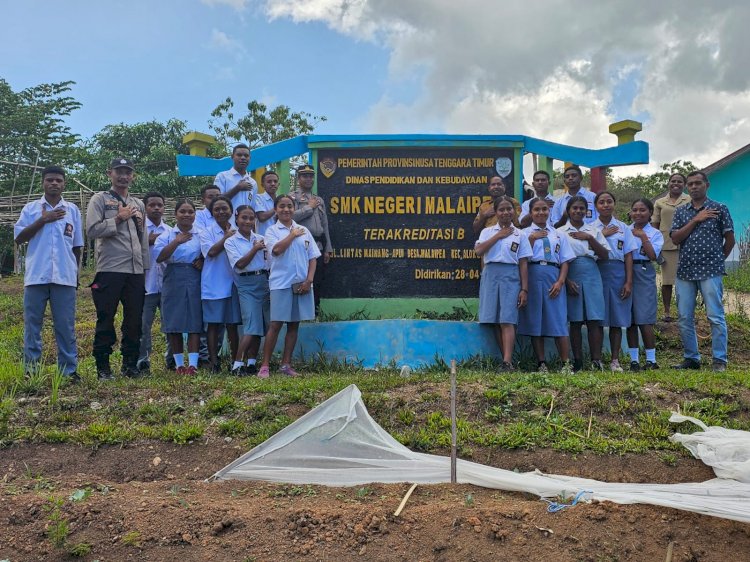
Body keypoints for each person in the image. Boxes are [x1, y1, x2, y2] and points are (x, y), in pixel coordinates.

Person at [14, 165, 83, 382]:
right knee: (32, 326)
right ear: (43, 182)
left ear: (64, 184)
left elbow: (77, 246)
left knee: (65, 326)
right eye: (50, 180)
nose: (54, 183)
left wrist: (76, 274)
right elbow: (19, 238)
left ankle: (68, 372)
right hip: (36, 277)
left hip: (65, 277)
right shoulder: (31, 209)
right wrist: (44, 219)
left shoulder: (72, 211)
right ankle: (31, 371)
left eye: (58, 181)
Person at [86, 157, 149, 380]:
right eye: (118, 171)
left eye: (127, 172)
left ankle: (130, 364)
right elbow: (92, 230)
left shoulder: (138, 204)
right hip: (110, 268)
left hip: (135, 270)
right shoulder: (99, 199)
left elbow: (143, 238)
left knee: (134, 319)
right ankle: (103, 366)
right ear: (109, 173)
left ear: (133, 176)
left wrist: (145, 267)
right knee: (106, 317)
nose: (123, 176)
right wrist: (118, 219)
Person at [670, 171, 735, 371]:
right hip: (686, 271)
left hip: (711, 271)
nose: (694, 187)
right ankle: (692, 359)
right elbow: (675, 238)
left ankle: (719, 360)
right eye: (690, 184)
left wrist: (717, 261)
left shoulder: (719, 209)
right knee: (683, 317)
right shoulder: (681, 212)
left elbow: (730, 240)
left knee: (715, 316)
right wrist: (696, 219)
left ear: (707, 185)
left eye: (698, 183)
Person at [259, 195, 321, 378]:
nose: (286, 210)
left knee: (294, 324)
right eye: (282, 206)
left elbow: (312, 257)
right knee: (276, 324)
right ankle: (265, 366)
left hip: (301, 284)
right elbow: (276, 251)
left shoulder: (304, 230)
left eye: (289, 206)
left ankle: (286, 364)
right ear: (276, 209)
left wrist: (309, 280)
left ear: (294, 209)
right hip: (281, 284)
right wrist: (291, 235)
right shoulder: (272, 231)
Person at [474, 196, 532, 372]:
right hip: (490, 275)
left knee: (507, 318)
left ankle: (507, 361)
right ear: (496, 212)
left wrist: (524, 289)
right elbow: (478, 251)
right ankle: (503, 359)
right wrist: (499, 235)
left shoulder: (520, 234)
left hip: (510, 275)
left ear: (514, 212)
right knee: (492, 319)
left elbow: (523, 262)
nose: (506, 212)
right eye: (501, 209)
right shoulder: (487, 232)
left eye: (509, 209)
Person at [518, 198, 575, 372]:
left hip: (553, 275)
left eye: (544, 209)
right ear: (531, 212)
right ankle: (541, 362)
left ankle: (565, 363)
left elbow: (565, 260)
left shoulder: (558, 234)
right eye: (536, 209)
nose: (541, 212)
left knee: (558, 319)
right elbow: (522, 259)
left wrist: (560, 281)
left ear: (549, 211)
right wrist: (532, 239)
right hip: (533, 274)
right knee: (536, 320)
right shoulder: (524, 234)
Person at [557, 196, 610, 371]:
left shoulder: (593, 230)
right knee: (576, 320)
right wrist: (566, 280)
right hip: (571, 271)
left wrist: (589, 238)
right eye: (575, 208)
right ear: (568, 211)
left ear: (586, 211)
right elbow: (558, 259)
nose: (578, 211)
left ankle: (596, 360)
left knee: (594, 318)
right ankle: (577, 361)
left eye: (582, 208)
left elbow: (605, 255)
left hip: (591, 272)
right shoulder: (561, 232)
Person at [155, 199, 203, 375]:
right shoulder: (167, 234)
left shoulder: (200, 233)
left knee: (194, 320)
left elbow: (208, 252)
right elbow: (159, 257)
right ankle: (179, 365)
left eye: (190, 212)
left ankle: (193, 364)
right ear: (175, 214)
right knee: (174, 321)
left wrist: (202, 261)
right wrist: (177, 241)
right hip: (173, 275)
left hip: (194, 276)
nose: (187, 215)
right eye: (182, 211)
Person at [592, 191, 636, 372]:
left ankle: (615, 360)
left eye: (609, 201)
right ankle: (597, 360)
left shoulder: (624, 228)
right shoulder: (590, 227)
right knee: (599, 318)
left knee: (617, 318)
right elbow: (586, 249)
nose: (605, 205)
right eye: (601, 202)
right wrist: (601, 234)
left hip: (618, 272)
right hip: (597, 272)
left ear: (614, 204)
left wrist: (628, 281)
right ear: (596, 206)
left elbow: (628, 255)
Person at [225, 205, 271, 376]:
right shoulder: (231, 241)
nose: (248, 221)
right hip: (246, 284)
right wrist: (254, 249)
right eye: (244, 217)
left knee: (262, 325)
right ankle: (237, 364)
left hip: (263, 281)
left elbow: (268, 261)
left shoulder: (260, 238)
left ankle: (251, 363)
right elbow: (240, 264)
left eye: (251, 218)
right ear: (236, 219)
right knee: (251, 326)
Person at [199, 195, 242, 372]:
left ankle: (235, 362)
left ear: (231, 211)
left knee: (232, 324)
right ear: (212, 213)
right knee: (214, 325)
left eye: (224, 208)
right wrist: (226, 237)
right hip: (214, 284)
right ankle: (214, 362)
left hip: (234, 283)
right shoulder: (206, 232)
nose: (221, 212)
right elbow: (211, 252)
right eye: (217, 209)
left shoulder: (239, 229)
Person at [626, 198, 664, 371]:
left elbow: (652, 256)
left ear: (650, 213)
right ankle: (634, 360)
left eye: (642, 210)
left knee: (645, 319)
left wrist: (642, 237)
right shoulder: (625, 230)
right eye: (635, 210)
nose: (638, 213)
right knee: (631, 320)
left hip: (643, 270)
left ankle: (651, 360)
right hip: (625, 272)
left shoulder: (655, 233)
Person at [290, 164, 332, 314]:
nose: (308, 179)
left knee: (318, 280)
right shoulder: (292, 197)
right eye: (304, 176)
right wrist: (309, 207)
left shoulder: (318, 199)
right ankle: (301, 314)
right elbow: (290, 217)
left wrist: (328, 248)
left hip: (319, 245)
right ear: (298, 178)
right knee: (303, 279)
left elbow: (324, 224)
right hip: (301, 246)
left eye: (310, 176)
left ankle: (315, 312)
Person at [137, 192, 171, 374]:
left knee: (170, 325)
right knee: (143, 326)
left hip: (167, 286)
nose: (156, 208)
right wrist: (146, 240)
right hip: (146, 286)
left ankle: (172, 359)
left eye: (160, 205)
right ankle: (143, 361)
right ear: (145, 208)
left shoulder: (171, 230)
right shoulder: (139, 230)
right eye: (152, 205)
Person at [652, 173, 690, 321]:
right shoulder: (660, 202)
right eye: (673, 181)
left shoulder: (690, 199)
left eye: (680, 181)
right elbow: (655, 223)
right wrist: (656, 246)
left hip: (687, 244)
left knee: (686, 280)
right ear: (668, 183)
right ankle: (667, 311)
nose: (676, 183)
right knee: (667, 281)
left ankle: (685, 311)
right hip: (666, 245)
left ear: (684, 184)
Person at [214, 144, 257, 210]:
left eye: (246, 156)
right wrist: (237, 188)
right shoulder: (222, 176)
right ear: (232, 157)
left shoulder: (253, 182)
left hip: (246, 220)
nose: (243, 158)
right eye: (239, 155)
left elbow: (253, 207)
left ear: (250, 158)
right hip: (227, 220)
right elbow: (217, 201)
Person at [253, 170, 279, 237]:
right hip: (263, 239)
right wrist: (278, 206)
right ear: (262, 185)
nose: (273, 184)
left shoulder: (280, 199)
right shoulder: (258, 198)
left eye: (275, 181)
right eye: (269, 181)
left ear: (278, 184)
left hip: (279, 239)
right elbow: (261, 217)